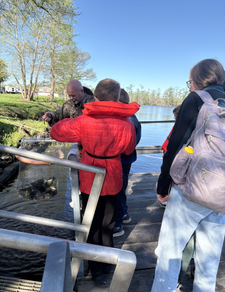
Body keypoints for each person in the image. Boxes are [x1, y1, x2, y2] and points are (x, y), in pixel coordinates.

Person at [50, 78, 139, 282]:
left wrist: (69, 120)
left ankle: (95, 270)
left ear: (95, 98)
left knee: (91, 224)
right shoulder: (127, 124)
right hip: (113, 177)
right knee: (108, 223)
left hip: (90, 177)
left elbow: (56, 132)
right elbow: (128, 149)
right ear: (117, 99)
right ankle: (107, 266)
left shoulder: (83, 121)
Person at [151, 59, 225, 292]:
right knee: (209, 260)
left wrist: (163, 187)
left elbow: (174, 146)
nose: (190, 87)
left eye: (190, 82)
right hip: (222, 194)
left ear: (197, 81)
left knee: (169, 252)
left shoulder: (196, 99)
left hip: (191, 191)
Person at [113, 89, 141, 237]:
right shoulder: (133, 118)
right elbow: (137, 140)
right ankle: (124, 215)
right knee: (122, 186)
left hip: (121, 159)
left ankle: (117, 225)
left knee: (117, 189)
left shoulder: (126, 120)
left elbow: (123, 143)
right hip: (128, 159)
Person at [159, 104, 181, 208]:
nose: (175, 120)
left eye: (176, 118)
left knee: (172, 179)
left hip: (176, 162)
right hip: (173, 159)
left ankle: (167, 199)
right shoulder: (177, 128)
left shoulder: (179, 129)